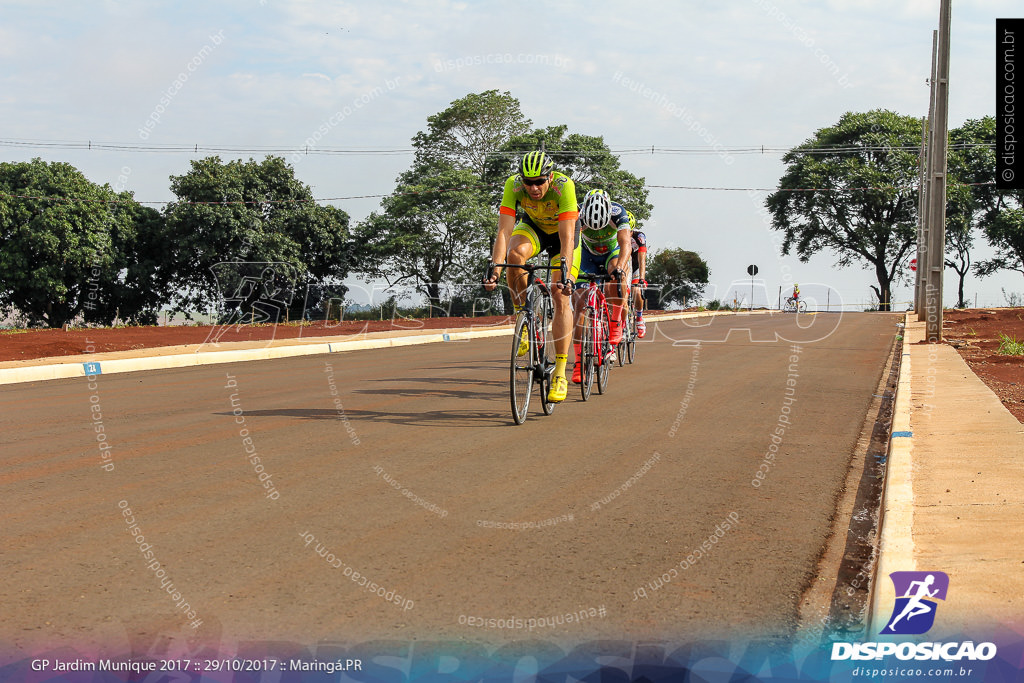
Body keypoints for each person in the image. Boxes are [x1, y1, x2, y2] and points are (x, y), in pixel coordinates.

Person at [484, 151, 581, 403]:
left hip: (564, 236)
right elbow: (504, 231)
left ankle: (560, 372)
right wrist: (495, 268)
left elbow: (567, 237)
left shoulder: (564, 186)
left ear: (550, 177)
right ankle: (523, 318)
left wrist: (566, 272)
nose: (533, 187)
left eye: (539, 181)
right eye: (528, 182)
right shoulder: (512, 185)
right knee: (515, 256)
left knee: (560, 292)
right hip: (535, 227)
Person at [571, 189, 631, 382]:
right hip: (586, 256)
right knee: (579, 306)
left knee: (616, 274)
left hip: (611, 254)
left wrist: (620, 269)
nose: (596, 230)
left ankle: (615, 323)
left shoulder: (618, 213)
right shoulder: (577, 213)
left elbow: (625, 245)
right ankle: (579, 361)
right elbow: (569, 244)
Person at [627, 210, 648, 338]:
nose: (626, 234)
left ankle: (639, 317)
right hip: (622, 267)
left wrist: (642, 279)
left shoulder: (639, 237)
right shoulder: (613, 236)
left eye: (629, 231)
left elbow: (642, 259)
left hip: (634, 267)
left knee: (636, 291)